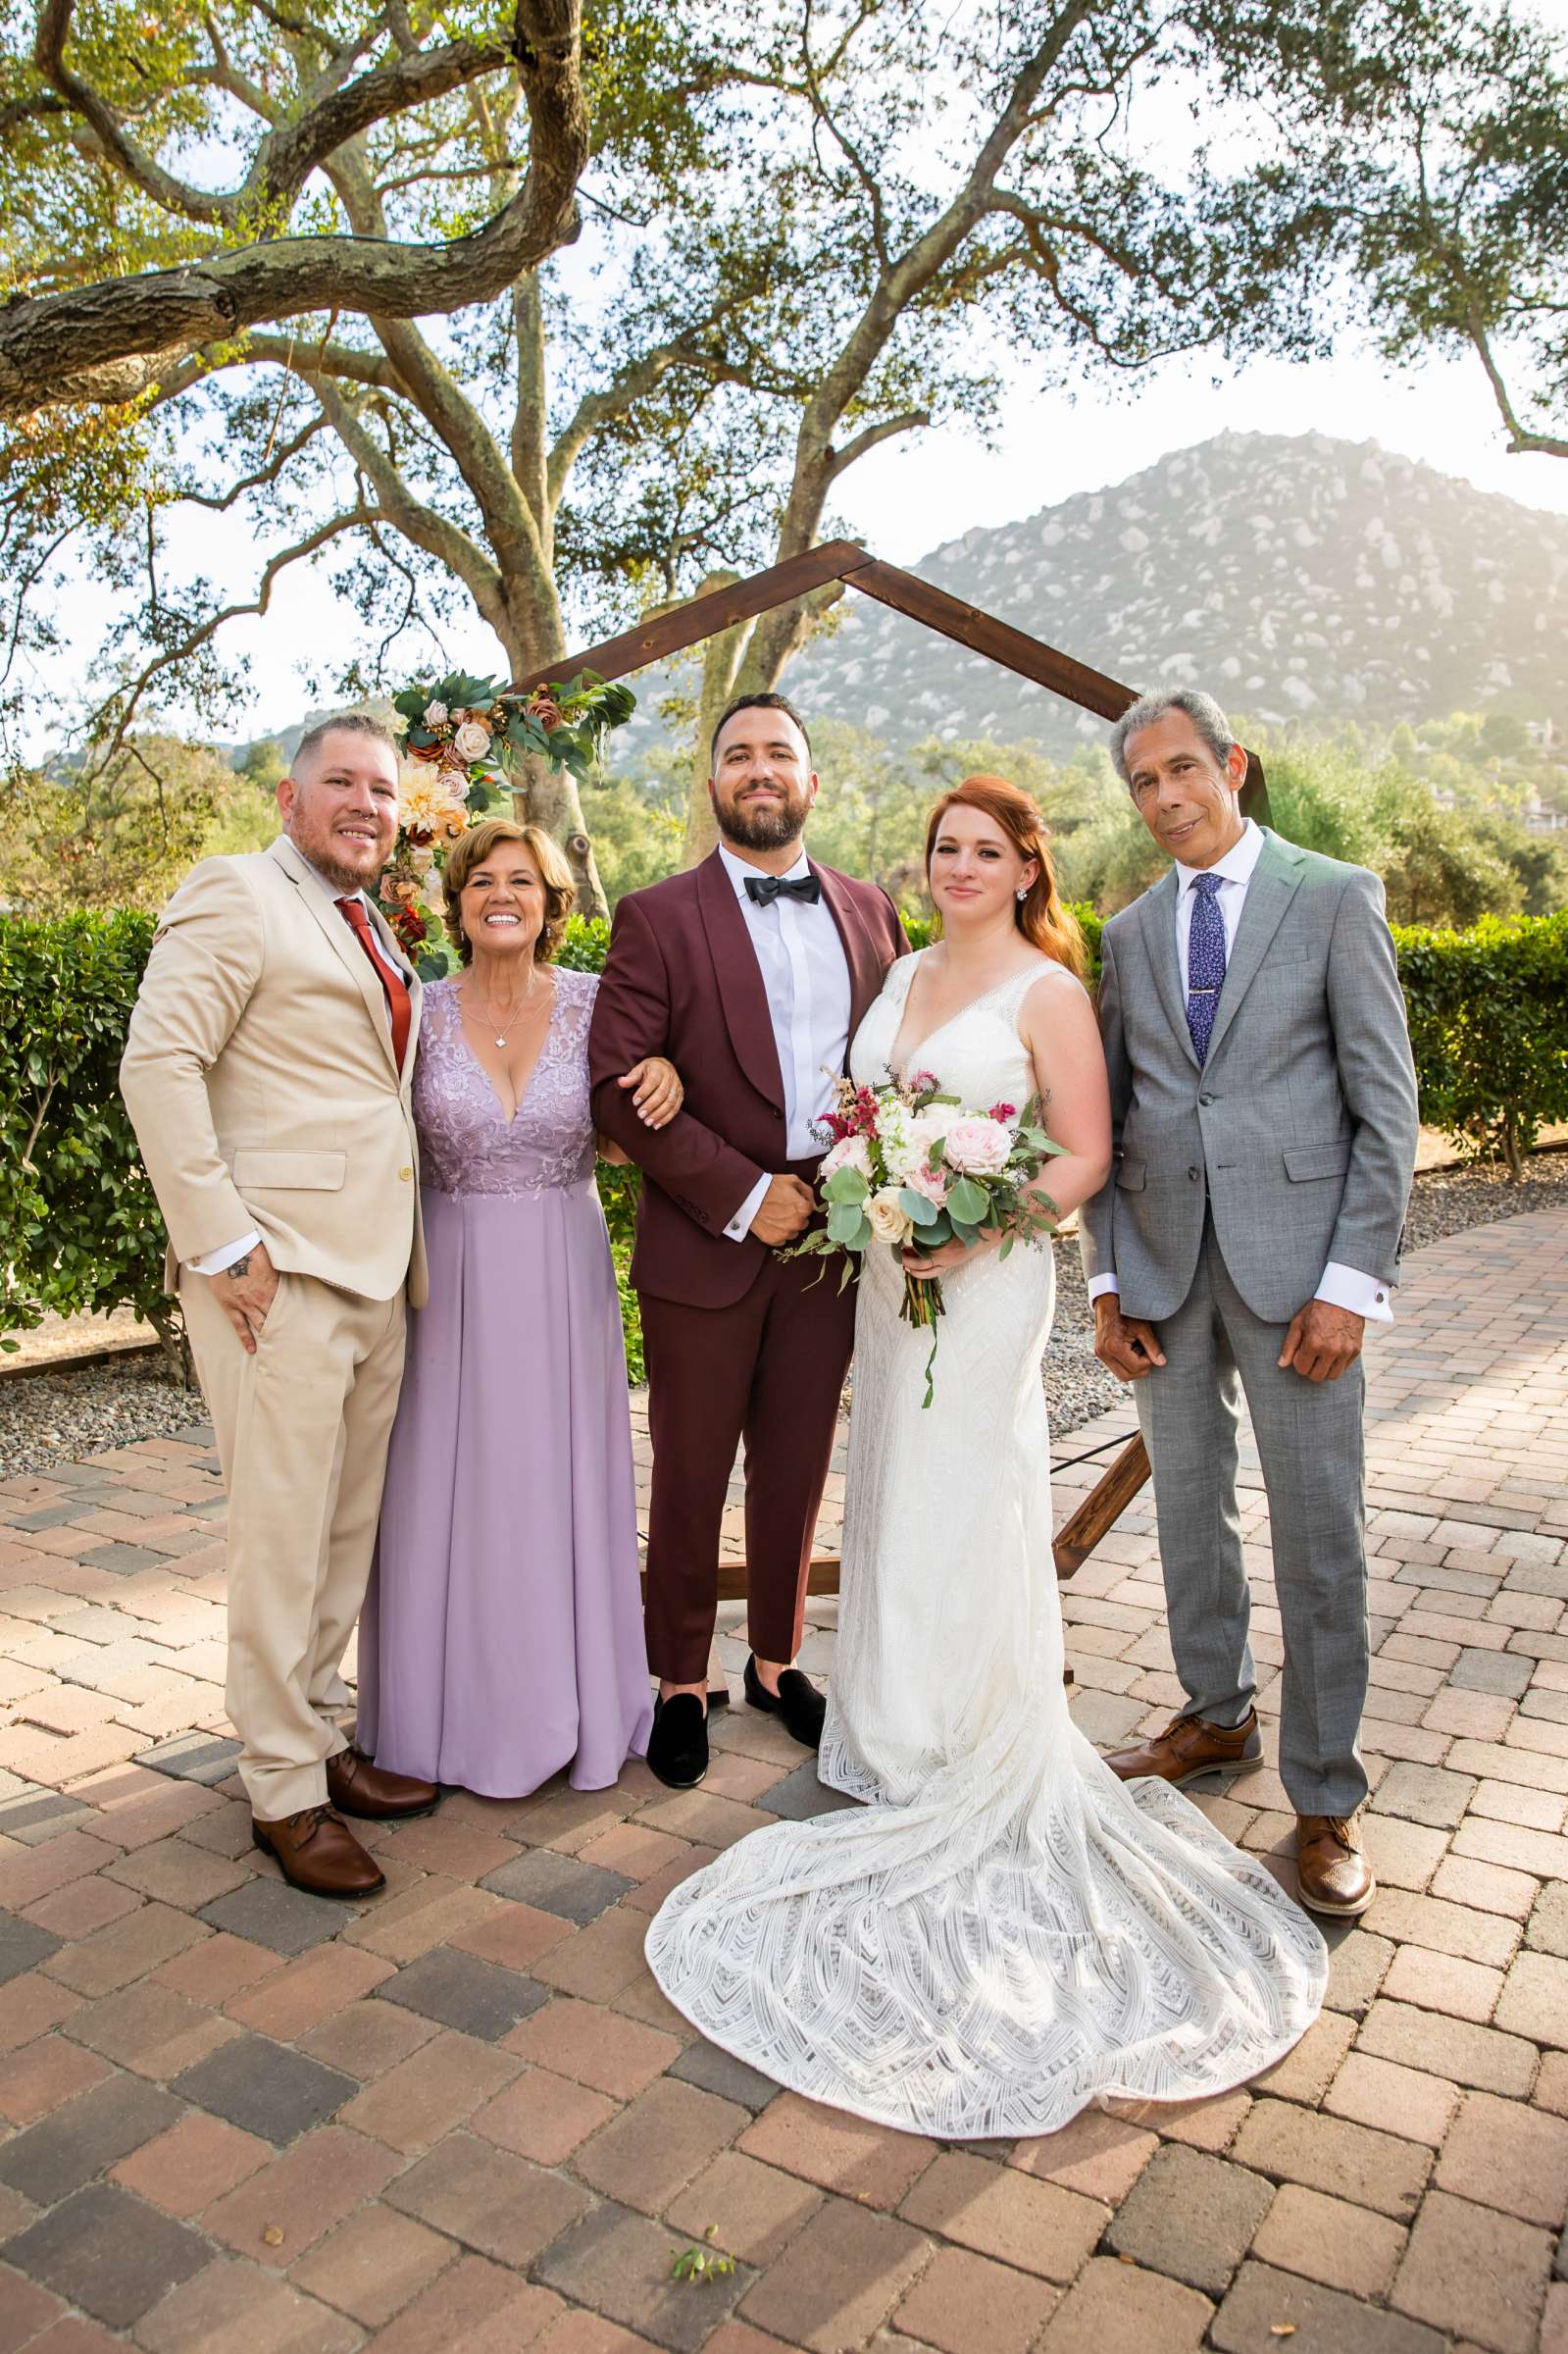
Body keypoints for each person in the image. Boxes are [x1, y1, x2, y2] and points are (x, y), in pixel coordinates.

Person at [644, 775, 1327, 2139]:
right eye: (941, 847)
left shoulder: (1046, 992)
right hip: (897, 1273)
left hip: (991, 1274)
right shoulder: (894, 972)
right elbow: (856, 1118)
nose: (957, 866)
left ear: (1026, 866)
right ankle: (887, 1727)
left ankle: (964, 1736)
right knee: (893, 1489)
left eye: (983, 850)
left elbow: (1082, 1152)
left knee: (968, 1492)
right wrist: (883, 1191)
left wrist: (985, 1217)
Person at [1082, 689, 1420, 1919]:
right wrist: (1110, 1280)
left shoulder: (1332, 895)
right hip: (1166, 1274)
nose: (1166, 800)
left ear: (1232, 765)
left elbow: (1388, 1110)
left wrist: (1350, 1286)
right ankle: (1214, 1718)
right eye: (1143, 785)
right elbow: (1108, 1124)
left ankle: (1326, 1795)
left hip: (1302, 1283)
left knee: (1320, 1531)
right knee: (1188, 1511)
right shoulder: (1124, 937)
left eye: (1183, 772)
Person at [121, 713, 441, 1900]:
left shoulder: (369, 926)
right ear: (288, 798)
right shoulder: (235, 893)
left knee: (340, 1531)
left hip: (375, 1269)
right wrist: (222, 1244)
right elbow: (159, 1065)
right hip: (278, 1275)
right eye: (342, 784)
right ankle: (280, 1791)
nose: (367, 804)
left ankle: (316, 1733)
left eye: (383, 789)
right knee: (279, 1536)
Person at [588, 693, 907, 1790]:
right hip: (705, 1244)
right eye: (738, 756)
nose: (759, 770)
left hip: (834, 1244)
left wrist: (860, 1190)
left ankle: (776, 1662)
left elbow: (900, 1073)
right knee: (687, 1471)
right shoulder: (656, 915)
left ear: (812, 780)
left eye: (780, 754)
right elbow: (619, 1089)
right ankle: (679, 1678)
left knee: (798, 1465)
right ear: (713, 782)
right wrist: (739, 1192)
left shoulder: (872, 912)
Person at [357, 818, 676, 1796]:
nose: (504, 894)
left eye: (523, 881)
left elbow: (630, 1126)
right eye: (483, 879)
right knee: (437, 1487)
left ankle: (568, 1708)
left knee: (556, 1480)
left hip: (561, 1272)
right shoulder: (416, 1009)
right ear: (456, 902)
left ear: (552, 903)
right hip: (442, 1274)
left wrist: (665, 1074)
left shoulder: (598, 1007)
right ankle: (436, 1717)